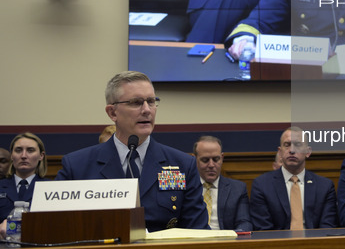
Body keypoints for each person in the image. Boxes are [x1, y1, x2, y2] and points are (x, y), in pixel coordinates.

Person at [55, 71, 209, 232]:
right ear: (112, 113)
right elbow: (58, 228)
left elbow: (197, 231)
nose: (147, 110)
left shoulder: (182, 164)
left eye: (151, 101)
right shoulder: (77, 166)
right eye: (136, 102)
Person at [249, 127, 338, 230]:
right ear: (280, 152)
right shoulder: (262, 185)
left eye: (298, 145)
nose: (292, 150)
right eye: (287, 145)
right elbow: (263, 230)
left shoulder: (324, 186)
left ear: (308, 152)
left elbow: (327, 227)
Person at [193, 136, 252, 231]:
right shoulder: (187, 188)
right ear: (195, 159)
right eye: (205, 160)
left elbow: (244, 222)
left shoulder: (237, 189)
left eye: (216, 159)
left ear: (222, 158)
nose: (211, 165)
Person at [0, 133, 47, 238]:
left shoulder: (50, 188)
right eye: (18, 150)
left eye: (30, 150)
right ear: (11, 155)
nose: (24, 156)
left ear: (41, 156)